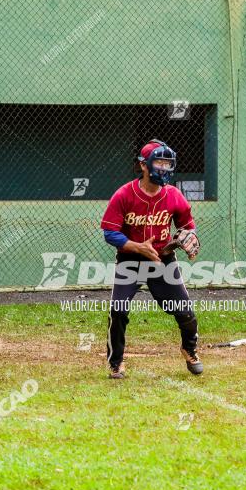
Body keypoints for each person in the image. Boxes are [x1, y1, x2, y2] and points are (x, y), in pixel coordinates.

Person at [100, 140, 202, 379]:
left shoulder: (174, 196)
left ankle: (189, 350)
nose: (164, 168)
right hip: (130, 260)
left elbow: (188, 225)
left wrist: (188, 237)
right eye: (159, 162)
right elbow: (110, 233)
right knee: (118, 309)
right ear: (143, 165)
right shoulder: (124, 194)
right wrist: (138, 247)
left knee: (184, 310)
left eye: (168, 163)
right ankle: (116, 362)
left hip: (162, 260)